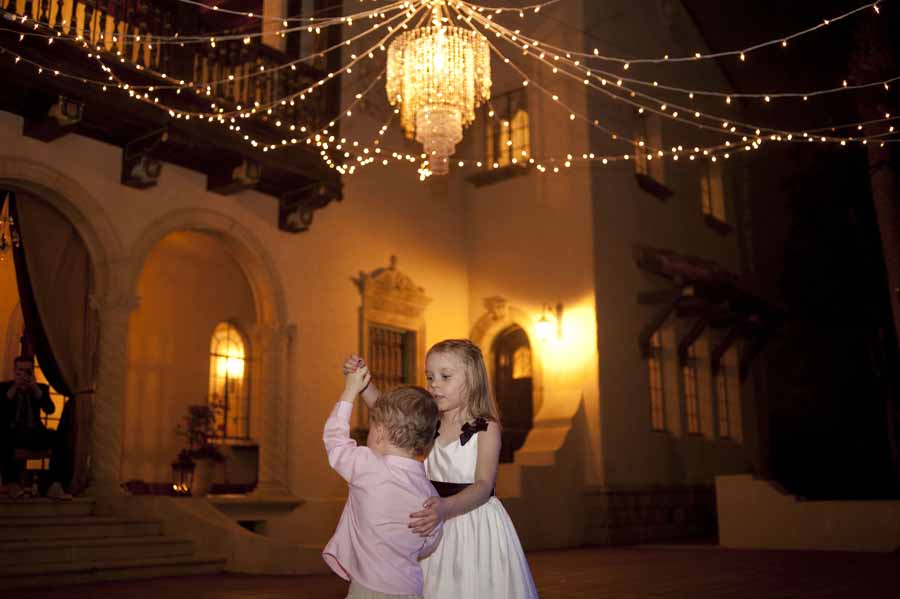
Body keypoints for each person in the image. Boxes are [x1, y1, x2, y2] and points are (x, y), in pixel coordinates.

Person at [346, 340, 539, 599]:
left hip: (472, 523)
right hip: (429, 522)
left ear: (472, 379)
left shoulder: (486, 428)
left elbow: (483, 486)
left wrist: (446, 508)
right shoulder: (427, 421)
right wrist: (364, 382)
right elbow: (386, 410)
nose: (434, 383)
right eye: (429, 376)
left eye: (445, 376)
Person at [324, 359, 443, 599]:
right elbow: (429, 541)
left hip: (369, 588)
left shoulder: (368, 467)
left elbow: (334, 439)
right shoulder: (429, 492)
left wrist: (350, 390)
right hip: (410, 589)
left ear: (378, 434)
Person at [1, 355, 72, 500]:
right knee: (2, 436)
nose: (24, 375)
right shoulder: (4, 387)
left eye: (28, 371)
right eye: (20, 371)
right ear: (14, 371)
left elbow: (50, 409)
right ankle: (13, 485)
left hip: (34, 433)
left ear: (32, 372)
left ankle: (55, 485)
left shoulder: (40, 388)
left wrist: (34, 388)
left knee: (58, 437)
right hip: (12, 433)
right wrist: (15, 387)